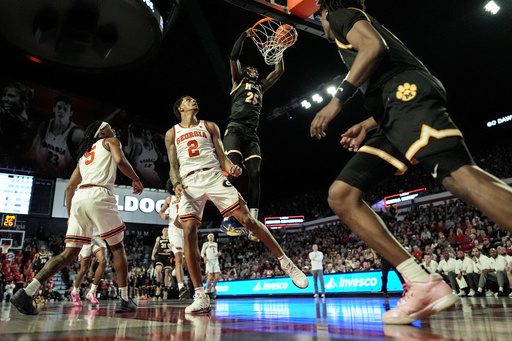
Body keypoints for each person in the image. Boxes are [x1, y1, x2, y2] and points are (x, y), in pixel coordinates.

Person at [312, 0, 512, 324]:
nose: (322, 25)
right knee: (342, 195)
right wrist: (367, 124)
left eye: (318, 18)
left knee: (459, 177)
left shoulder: (340, 14)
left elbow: (374, 46)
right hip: (393, 113)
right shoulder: (352, 22)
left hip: (407, 98)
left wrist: (336, 101)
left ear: (323, 12)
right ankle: (421, 283)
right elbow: (386, 70)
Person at [165, 96, 308, 314]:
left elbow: (222, 157)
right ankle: (200, 295)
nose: (193, 100)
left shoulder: (210, 126)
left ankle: (287, 263)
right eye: (187, 99)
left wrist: (232, 168)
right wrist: (175, 183)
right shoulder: (172, 133)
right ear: (180, 108)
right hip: (189, 182)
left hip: (213, 175)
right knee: (188, 232)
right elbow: (173, 165)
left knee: (247, 219)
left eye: (194, 99)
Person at [10, 121, 143, 315]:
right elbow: (120, 161)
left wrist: (70, 216)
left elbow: (70, 188)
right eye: (109, 126)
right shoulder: (110, 141)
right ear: (101, 131)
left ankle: (26, 292)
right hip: (99, 194)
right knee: (117, 247)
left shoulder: (83, 156)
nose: (113, 128)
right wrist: (136, 178)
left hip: (80, 198)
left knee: (68, 254)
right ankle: (124, 299)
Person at [220, 27, 285, 240]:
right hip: (235, 129)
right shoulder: (238, 81)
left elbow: (278, 72)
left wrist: (279, 49)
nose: (255, 70)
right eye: (252, 69)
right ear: (246, 71)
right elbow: (233, 56)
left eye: (257, 70)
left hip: (252, 133)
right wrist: (243, 35)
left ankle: (254, 219)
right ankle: (227, 218)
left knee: (255, 173)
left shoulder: (261, 86)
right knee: (234, 171)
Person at [27, 95, 85, 177]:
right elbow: (33, 152)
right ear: (54, 109)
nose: (61, 111)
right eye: (59, 108)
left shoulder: (77, 135)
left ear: (70, 113)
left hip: (62, 177)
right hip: (40, 172)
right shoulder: (44, 125)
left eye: (65, 109)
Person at [159, 181, 190, 301]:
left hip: (185, 229)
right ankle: (181, 287)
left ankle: (176, 273)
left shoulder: (186, 197)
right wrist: (163, 215)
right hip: (174, 230)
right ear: (173, 189)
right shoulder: (169, 199)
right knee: (178, 258)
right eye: (178, 189)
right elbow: (161, 211)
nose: (180, 191)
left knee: (186, 261)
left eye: (182, 189)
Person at [70, 233, 108, 306]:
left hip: (97, 238)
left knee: (103, 261)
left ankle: (92, 292)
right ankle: (75, 292)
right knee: (84, 269)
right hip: (85, 239)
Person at [0, 82, 33, 164]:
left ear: (23, 100)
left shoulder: (20, 123)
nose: (4, 99)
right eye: (4, 95)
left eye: (11, 96)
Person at [151, 226, 173, 300]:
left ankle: (166, 290)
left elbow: (174, 247)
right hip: (160, 256)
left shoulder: (170, 238)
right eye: (165, 230)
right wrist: (153, 255)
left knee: (167, 272)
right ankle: (158, 286)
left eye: (167, 230)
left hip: (167, 257)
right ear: (162, 231)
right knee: (158, 270)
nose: (166, 231)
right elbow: (155, 247)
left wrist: (170, 250)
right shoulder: (159, 238)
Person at [201, 234, 221, 298]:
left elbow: (215, 252)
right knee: (210, 276)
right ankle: (206, 288)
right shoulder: (206, 244)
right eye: (209, 236)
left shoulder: (216, 244)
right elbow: (202, 253)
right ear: (208, 237)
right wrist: (204, 257)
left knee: (217, 277)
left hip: (215, 261)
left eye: (212, 236)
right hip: (209, 261)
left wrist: (218, 254)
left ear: (213, 237)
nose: (211, 237)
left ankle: (213, 287)